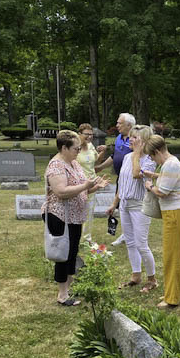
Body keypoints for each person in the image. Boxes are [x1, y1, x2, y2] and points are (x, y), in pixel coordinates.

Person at [42, 130, 109, 306]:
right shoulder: (56, 166)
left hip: (75, 216)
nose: (78, 152)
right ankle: (62, 295)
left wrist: (96, 186)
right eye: (75, 149)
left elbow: (83, 188)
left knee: (72, 253)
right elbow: (61, 192)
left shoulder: (73, 163)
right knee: (63, 255)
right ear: (64, 147)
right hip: (59, 215)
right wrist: (85, 185)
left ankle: (69, 289)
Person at [107, 125, 158, 292]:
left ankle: (152, 279)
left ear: (144, 141)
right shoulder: (128, 157)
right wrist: (114, 204)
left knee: (141, 243)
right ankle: (135, 275)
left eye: (135, 138)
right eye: (131, 137)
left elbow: (137, 175)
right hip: (125, 205)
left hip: (140, 205)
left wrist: (137, 153)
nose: (131, 140)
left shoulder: (149, 160)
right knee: (130, 242)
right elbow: (122, 183)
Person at [143, 135, 180, 309]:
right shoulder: (170, 164)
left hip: (175, 214)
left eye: (152, 157)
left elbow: (162, 191)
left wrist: (149, 186)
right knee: (170, 254)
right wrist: (155, 174)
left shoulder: (170, 164)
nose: (153, 161)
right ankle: (171, 291)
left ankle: (172, 298)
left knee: (172, 256)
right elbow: (168, 178)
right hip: (174, 213)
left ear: (157, 151)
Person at [96, 113, 136, 245]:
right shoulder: (119, 137)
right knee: (121, 205)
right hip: (121, 177)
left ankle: (133, 235)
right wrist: (101, 167)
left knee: (131, 206)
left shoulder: (135, 139)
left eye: (120, 123)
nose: (117, 125)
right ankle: (126, 234)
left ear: (129, 125)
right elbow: (115, 156)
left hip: (133, 179)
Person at [76, 123, 108, 241]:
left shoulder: (90, 146)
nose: (89, 137)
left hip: (93, 182)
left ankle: (87, 238)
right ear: (79, 134)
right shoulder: (75, 148)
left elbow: (96, 160)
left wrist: (103, 151)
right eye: (86, 134)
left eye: (91, 135)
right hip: (79, 184)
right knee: (78, 211)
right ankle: (76, 237)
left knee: (89, 211)